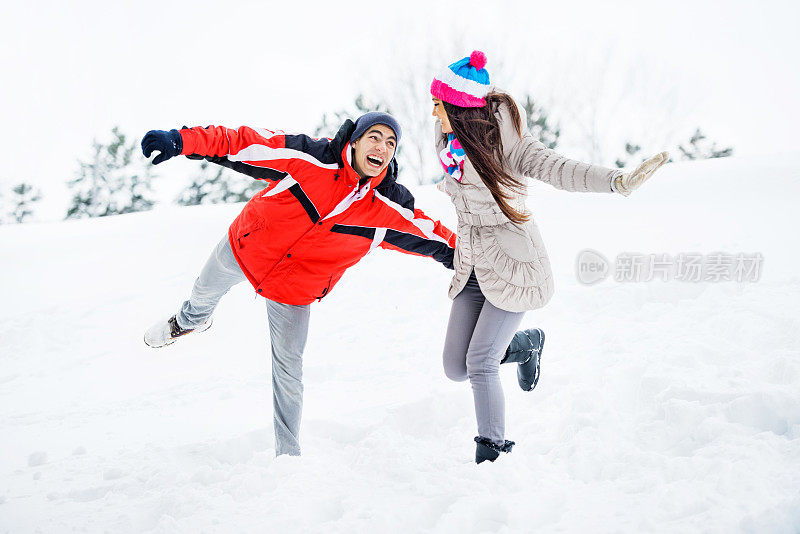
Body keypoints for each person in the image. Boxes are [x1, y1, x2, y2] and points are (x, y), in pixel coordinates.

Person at [140, 112, 458, 456]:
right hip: (246, 248)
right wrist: (180, 141)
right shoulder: (309, 159)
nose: (382, 147)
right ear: (354, 140)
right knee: (202, 295)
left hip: (295, 290)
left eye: (390, 143)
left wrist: (474, 262)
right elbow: (242, 143)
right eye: (375, 137)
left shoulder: (387, 206)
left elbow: (434, 236)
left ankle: (287, 456)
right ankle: (187, 322)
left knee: (289, 373)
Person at [430, 51, 669, 463]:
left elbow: (559, 167)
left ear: (459, 107)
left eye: (438, 103)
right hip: (472, 265)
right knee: (456, 366)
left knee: (481, 362)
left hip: (514, 266)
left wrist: (616, 181)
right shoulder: (447, 140)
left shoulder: (510, 147)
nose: (433, 110)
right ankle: (524, 345)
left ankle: (492, 455)